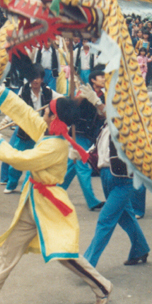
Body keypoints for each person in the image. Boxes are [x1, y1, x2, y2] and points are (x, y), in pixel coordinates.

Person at [0, 74, 112, 304]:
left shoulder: (55, 144)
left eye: (48, 110)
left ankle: (102, 287)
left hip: (50, 206)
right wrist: (0, 91)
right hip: (33, 202)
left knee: (66, 255)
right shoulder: (51, 132)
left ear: (54, 116)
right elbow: (25, 114)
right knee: (9, 249)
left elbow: (23, 160)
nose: (44, 112)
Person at [83, 124, 151, 267]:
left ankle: (87, 263)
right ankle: (141, 249)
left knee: (105, 219)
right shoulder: (105, 127)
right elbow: (96, 149)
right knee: (125, 216)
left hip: (124, 181)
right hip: (107, 177)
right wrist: (81, 154)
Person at [0, 64, 55, 193]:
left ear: (42, 79)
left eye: (38, 78)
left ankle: (31, 188)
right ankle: (11, 184)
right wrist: (6, 120)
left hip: (40, 131)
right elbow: (14, 107)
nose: (35, 80)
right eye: (32, 77)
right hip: (25, 131)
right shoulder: (23, 91)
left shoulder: (48, 91)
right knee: (17, 160)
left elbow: (60, 99)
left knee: (37, 161)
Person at [61, 70, 105, 211]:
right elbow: (72, 106)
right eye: (101, 76)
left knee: (72, 166)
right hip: (78, 132)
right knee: (83, 166)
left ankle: (56, 190)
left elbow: (103, 115)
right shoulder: (84, 91)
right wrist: (80, 96)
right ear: (93, 80)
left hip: (91, 134)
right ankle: (92, 201)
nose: (104, 79)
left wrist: (97, 104)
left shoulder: (102, 96)